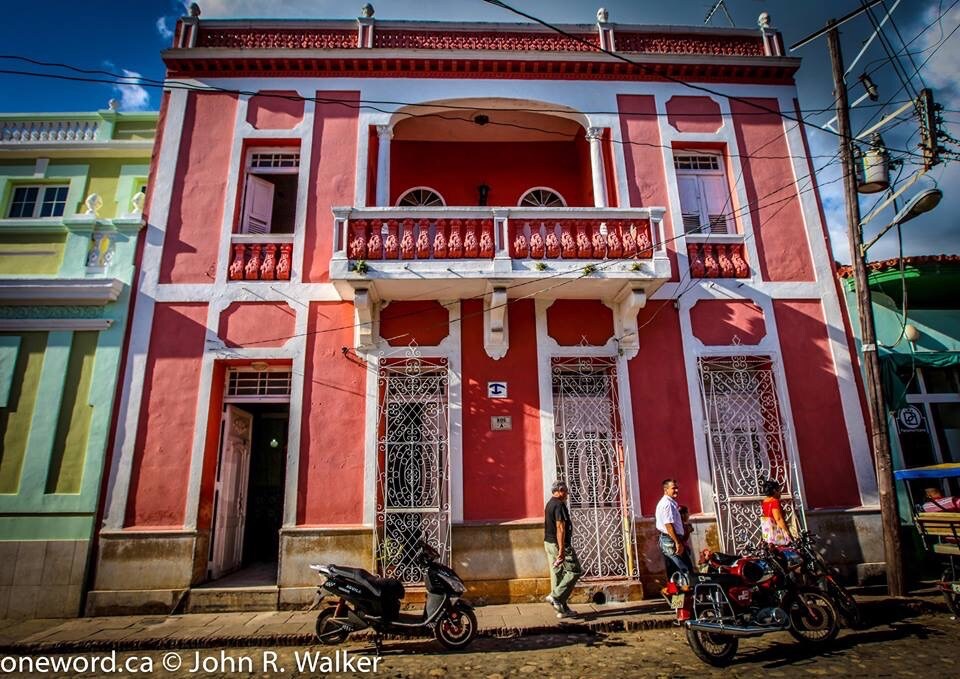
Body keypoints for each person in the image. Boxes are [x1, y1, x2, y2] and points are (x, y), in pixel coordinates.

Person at [543, 480, 582, 619]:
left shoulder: (549, 504)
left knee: (558, 575)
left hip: (548, 543)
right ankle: (555, 597)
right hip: (558, 544)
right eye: (565, 492)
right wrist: (562, 551)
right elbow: (560, 528)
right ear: (559, 490)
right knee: (575, 570)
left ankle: (562, 609)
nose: (567, 495)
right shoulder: (559, 505)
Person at [655, 479, 693, 577]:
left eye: (677, 488)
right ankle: (682, 589)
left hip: (672, 538)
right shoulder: (667, 504)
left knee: (680, 568)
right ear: (666, 490)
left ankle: (682, 589)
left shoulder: (670, 503)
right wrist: (677, 543)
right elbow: (668, 525)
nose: (676, 490)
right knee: (682, 568)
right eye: (673, 488)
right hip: (671, 539)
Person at [760, 478, 794, 546]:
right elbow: (778, 519)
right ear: (774, 490)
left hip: (769, 534)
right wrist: (788, 533)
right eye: (778, 489)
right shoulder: (775, 501)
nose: (780, 492)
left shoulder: (765, 501)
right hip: (777, 533)